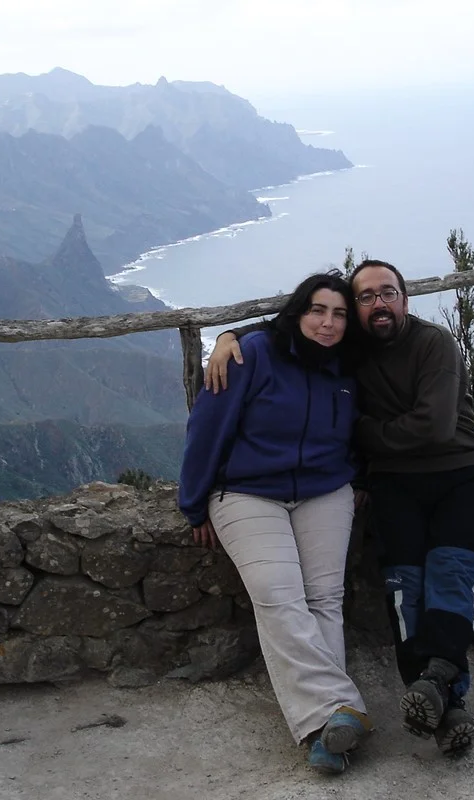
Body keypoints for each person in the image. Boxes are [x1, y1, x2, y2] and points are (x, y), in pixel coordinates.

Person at [206, 259, 474, 757]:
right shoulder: (352, 347)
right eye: (366, 297)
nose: (378, 303)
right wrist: (229, 335)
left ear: (405, 299)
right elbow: (296, 325)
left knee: (451, 572)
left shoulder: (434, 344)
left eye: (388, 293)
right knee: (404, 586)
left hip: (458, 471)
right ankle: (440, 707)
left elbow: (434, 428)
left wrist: (365, 436)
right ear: (357, 310)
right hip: (394, 482)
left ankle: (441, 686)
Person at [178, 271, 373, 776]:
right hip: (246, 491)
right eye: (317, 310)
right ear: (298, 312)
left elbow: (363, 430)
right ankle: (340, 707)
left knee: (324, 595)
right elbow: (206, 429)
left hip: (325, 489)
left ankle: (326, 734)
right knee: (276, 592)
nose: (327, 323)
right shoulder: (254, 354)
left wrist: (359, 480)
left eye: (339, 314)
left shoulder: (349, 367)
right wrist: (194, 504)